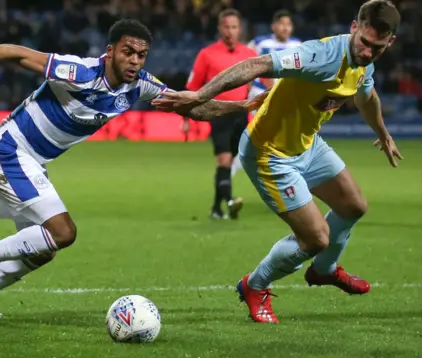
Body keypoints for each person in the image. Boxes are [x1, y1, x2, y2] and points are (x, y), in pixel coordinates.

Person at [0, 19, 267, 318]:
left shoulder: (140, 84)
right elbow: (17, 53)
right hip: (8, 151)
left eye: (142, 55)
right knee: (63, 232)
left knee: (43, 248)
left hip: (32, 160)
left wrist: (243, 106)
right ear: (110, 50)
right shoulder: (80, 71)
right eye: (128, 52)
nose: (135, 61)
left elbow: (192, 107)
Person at [153, 0, 403, 323]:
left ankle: (324, 270)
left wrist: (383, 133)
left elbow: (366, 97)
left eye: (377, 48)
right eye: (365, 43)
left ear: (390, 42)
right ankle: (254, 285)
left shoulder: (364, 64)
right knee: (316, 238)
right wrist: (199, 96)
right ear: (354, 28)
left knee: (354, 206)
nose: (368, 52)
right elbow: (255, 65)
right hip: (269, 153)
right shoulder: (321, 55)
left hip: (308, 145)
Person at [185, 9, 257, 220]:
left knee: (231, 160)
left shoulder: (250, 55)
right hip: (218, 113)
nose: (230, 31)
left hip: (242, 114)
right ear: (219, 28)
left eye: (234, 27)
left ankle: (217, 208)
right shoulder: (206, 54)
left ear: (239, 29)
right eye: (226, 26)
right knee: (224, 160)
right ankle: (230, 202)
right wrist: (185, 117)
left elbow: (263, 83)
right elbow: (193, 86)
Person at [230, 10, 302, 179]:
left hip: (285, 98)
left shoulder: (298, 45)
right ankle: (241, 163)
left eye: (288, 24)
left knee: (273, 138)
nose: (285, 28)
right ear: (274, 26)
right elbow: (245, 66)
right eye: (282, 24)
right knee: (267, 134)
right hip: (260, 95)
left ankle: (246, 162)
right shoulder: (259, 43)